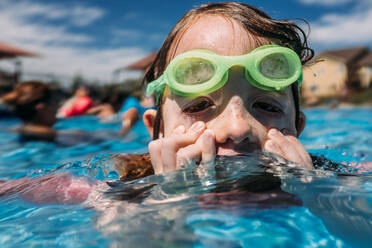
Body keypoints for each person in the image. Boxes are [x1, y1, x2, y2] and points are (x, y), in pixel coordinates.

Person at [1, 2, 371, 204]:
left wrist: (320, 197)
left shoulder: (332, 179)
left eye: (268, 107)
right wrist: (165, 204)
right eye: (199, 105)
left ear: (297, 129)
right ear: (155, 127)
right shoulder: (121, 187)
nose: (237, 129)